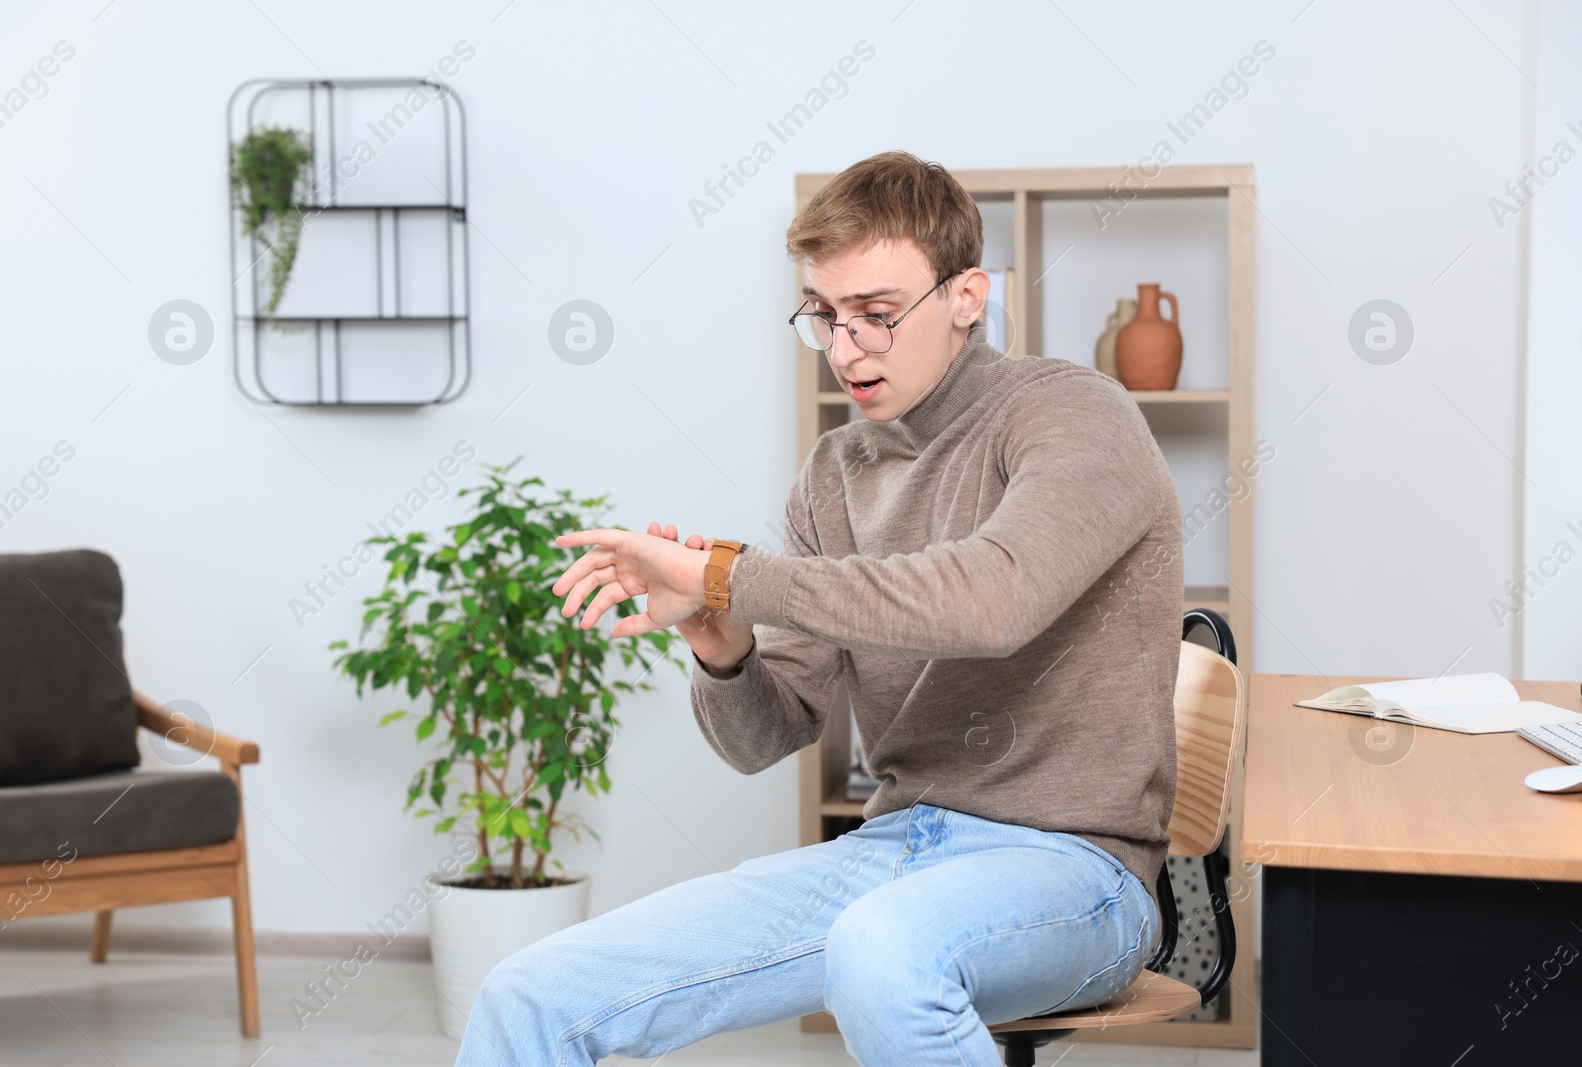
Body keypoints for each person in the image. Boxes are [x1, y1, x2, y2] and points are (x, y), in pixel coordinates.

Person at [454, 150, 1183, 1066]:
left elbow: (992, 599)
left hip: (1079, 875)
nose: (846, 349)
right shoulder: (834, 477)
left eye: (877, 316)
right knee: (530, 993)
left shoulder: (1074, 416)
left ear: (968, 295)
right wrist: (723, 647)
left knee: (880, 951)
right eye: (825, 317)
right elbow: (766, 735)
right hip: (894, 851)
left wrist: (728, 572)